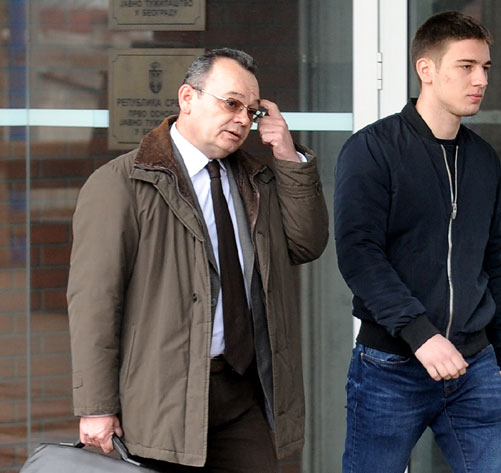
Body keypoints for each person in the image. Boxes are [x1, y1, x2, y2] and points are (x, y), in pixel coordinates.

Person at [67, 48, 328, 473]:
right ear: (187, 97)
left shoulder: (254, 179)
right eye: (231, 103)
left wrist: (287, 156)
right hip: (164, 398)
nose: (242, 119)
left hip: (243, 390)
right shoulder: (121, 183)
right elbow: (94, 302)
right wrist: (97, 406)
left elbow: (305, 244)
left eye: (252, 111)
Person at [334, 11, 501, 473]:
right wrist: (421, 334)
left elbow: (495, 262)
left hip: (475, 367)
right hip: (391, 366)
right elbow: (359, 254)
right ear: (426, 70)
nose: (481, 80)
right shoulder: (373, 149)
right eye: (466, 66)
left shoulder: (483, 159)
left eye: (485, 68)